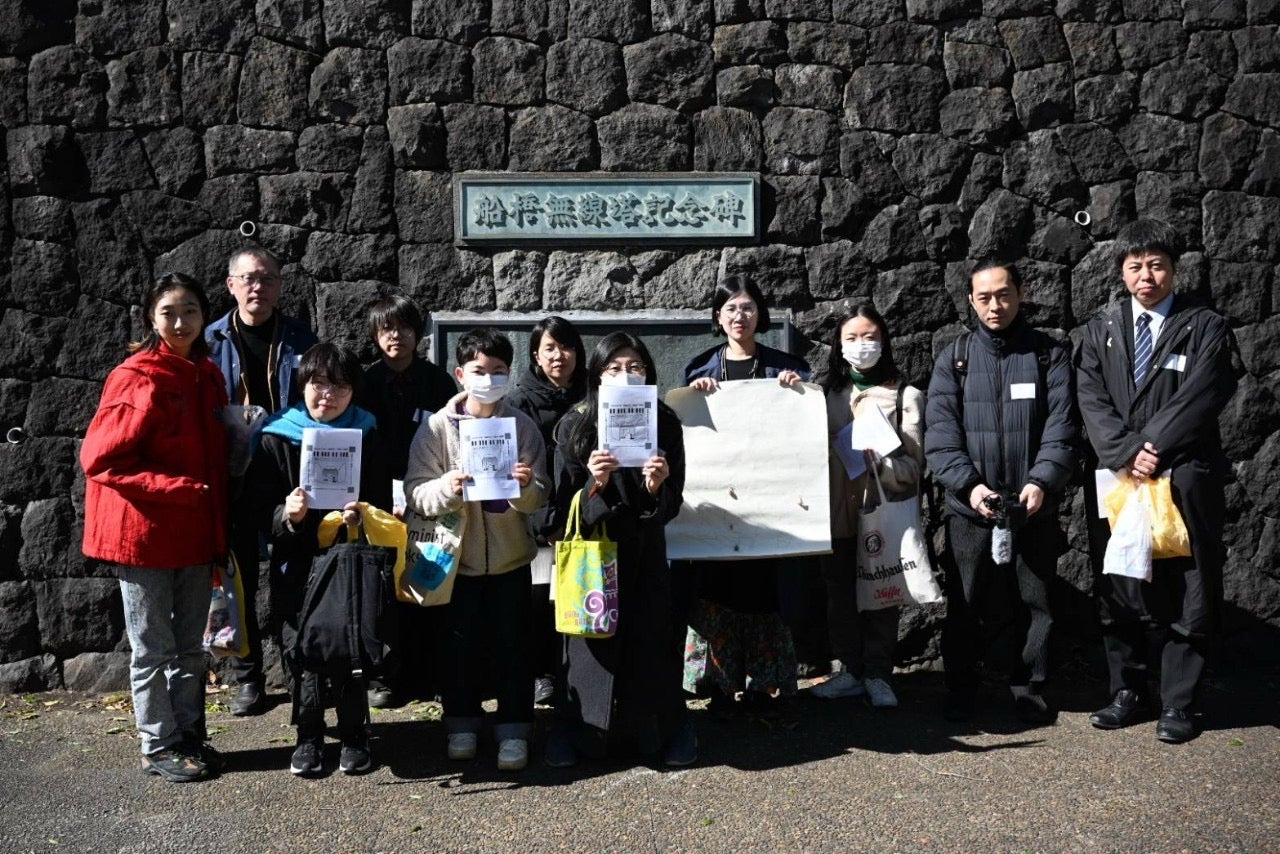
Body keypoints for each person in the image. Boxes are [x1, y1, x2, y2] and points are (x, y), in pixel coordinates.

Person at [1076, 219, 1237, 744]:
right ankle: (1127, 691)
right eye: (1135, 266)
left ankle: (1179, 702)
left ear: (1173, 268)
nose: (1146, 276)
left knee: (1188, 583)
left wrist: (1153, 448)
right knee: (1121, 581)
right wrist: (1126, 452)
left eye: (1156, 265)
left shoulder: (1204, 325)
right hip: (1120, 476)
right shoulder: (1100, 329)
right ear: (1121, 273)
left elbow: (1205, 391)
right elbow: (1090, 397)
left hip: (1182, 472)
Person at [81, 273, 228, 783]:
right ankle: (156, 745)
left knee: (190, 647)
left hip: (194, 530)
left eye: (190, 311)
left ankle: (187, 735)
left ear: (205, 315)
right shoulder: (136, 376)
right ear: (151, 317)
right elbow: (99, 460)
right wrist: (177, 488)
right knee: (152, 648)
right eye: (169, 312)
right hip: (143, 534)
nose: (181, 322)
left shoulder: (206, 373)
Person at [924, 259, 1079, 725]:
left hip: (1032, 506)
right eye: (984, 297)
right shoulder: (954, 359)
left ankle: (1029, 687)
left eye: (1003, 294)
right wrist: (970, 487)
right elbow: (941, 433)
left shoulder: (1049, 355)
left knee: (1037, 601)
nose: (995, 305)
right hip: (970, 507)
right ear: (971, 301)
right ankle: (961, 689)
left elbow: (1062, 427)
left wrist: (1041, 482)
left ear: (1020, 294)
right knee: (966, 601)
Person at [403, 328, 547, 772]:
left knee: (514, 649)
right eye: (479, 371)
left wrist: (525, 486)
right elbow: (415, 492)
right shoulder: (435, 427)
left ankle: (514, 729)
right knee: (457, 649)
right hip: (455, 562)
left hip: (511, 559)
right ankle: (461, 723)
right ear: (460, 374)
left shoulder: (521, 426)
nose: (489, 379)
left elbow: (540, 496)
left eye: (499, 371)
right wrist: (446, 488)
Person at [547, 331, 694, 767]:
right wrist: (595, 484)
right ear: (597, 375)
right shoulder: (576, 424)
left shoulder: (665, 421)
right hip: (594, 555)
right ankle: (576, 733)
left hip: (646, 551)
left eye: (635, 367)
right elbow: (561, 510)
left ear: (648, 373)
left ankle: (663, 731)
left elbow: (673, 503)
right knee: (588, 647)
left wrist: (655, 488)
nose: (625, 375)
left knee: (651, 643)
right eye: (614, 368)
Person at [244, 343, 392, 777]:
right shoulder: (276, 436)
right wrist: (286, 515)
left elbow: (382, 500)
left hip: (347, 559)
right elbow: (255, 509)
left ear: (354, 392)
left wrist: (361, 513)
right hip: (296, 562)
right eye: (319, 383)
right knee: (300, 651)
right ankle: (308, 736)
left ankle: (354, 734)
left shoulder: (368, 432)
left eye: (340, 386)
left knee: (348, 647)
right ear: (302, 385)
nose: (328, 394)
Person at [681, 277, 810, 718]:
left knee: (764, 592)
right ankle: (720, 684)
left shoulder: (784, 368)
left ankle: (764, 686)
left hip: (767, 501)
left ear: (761, 313)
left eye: (748, 307)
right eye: (731, 308)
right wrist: (695, 398)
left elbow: (802, 429)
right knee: (718, 592)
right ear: (718, 317)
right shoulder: (700, 369)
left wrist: (797, 392)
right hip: (719, 504)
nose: (740, 316)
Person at [205, 247, 318, 717]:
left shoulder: (300, 338)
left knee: (293, 576)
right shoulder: (209, 340)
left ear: (280, 286)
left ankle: (299, 672)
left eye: (268, 278)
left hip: (286, 473)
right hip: (230, 476)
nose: (259, 287)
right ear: (231, 285)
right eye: (249, 278)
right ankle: (247, 677)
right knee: (238, 579)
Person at [810, 305, 925, 709]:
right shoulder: (824, 396)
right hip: (836, 514)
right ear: (839, 345)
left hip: (881, 513)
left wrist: (885, 465)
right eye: (852, 338)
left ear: (884, 341)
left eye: (870, 337)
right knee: (839, 595)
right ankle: (850, 670)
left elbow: (914, 466)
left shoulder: (905, 396)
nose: (862, 345)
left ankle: (878, 673)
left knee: (882, 594)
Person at [357, 294, 457, 708]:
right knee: (384, 586)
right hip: (378, 497)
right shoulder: (364, 384)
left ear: (418, 333)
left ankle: (433, 672)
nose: (395, 335)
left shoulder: (438, 383)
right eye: (386, 328)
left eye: (403, 327)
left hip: (429, 494)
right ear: (375, 335)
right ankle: (386, 675)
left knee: (430, 577)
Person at [506, 316, 588, 707]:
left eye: (566, 347)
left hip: (586, 515)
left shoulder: (593, 394)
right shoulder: (518, 403)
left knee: (581, 597)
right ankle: (543, 674)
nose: (559, 356)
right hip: (536, 519)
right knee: (539, 603)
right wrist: (545, 522)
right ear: (536, 356)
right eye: (549, 348)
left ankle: (580, 673)